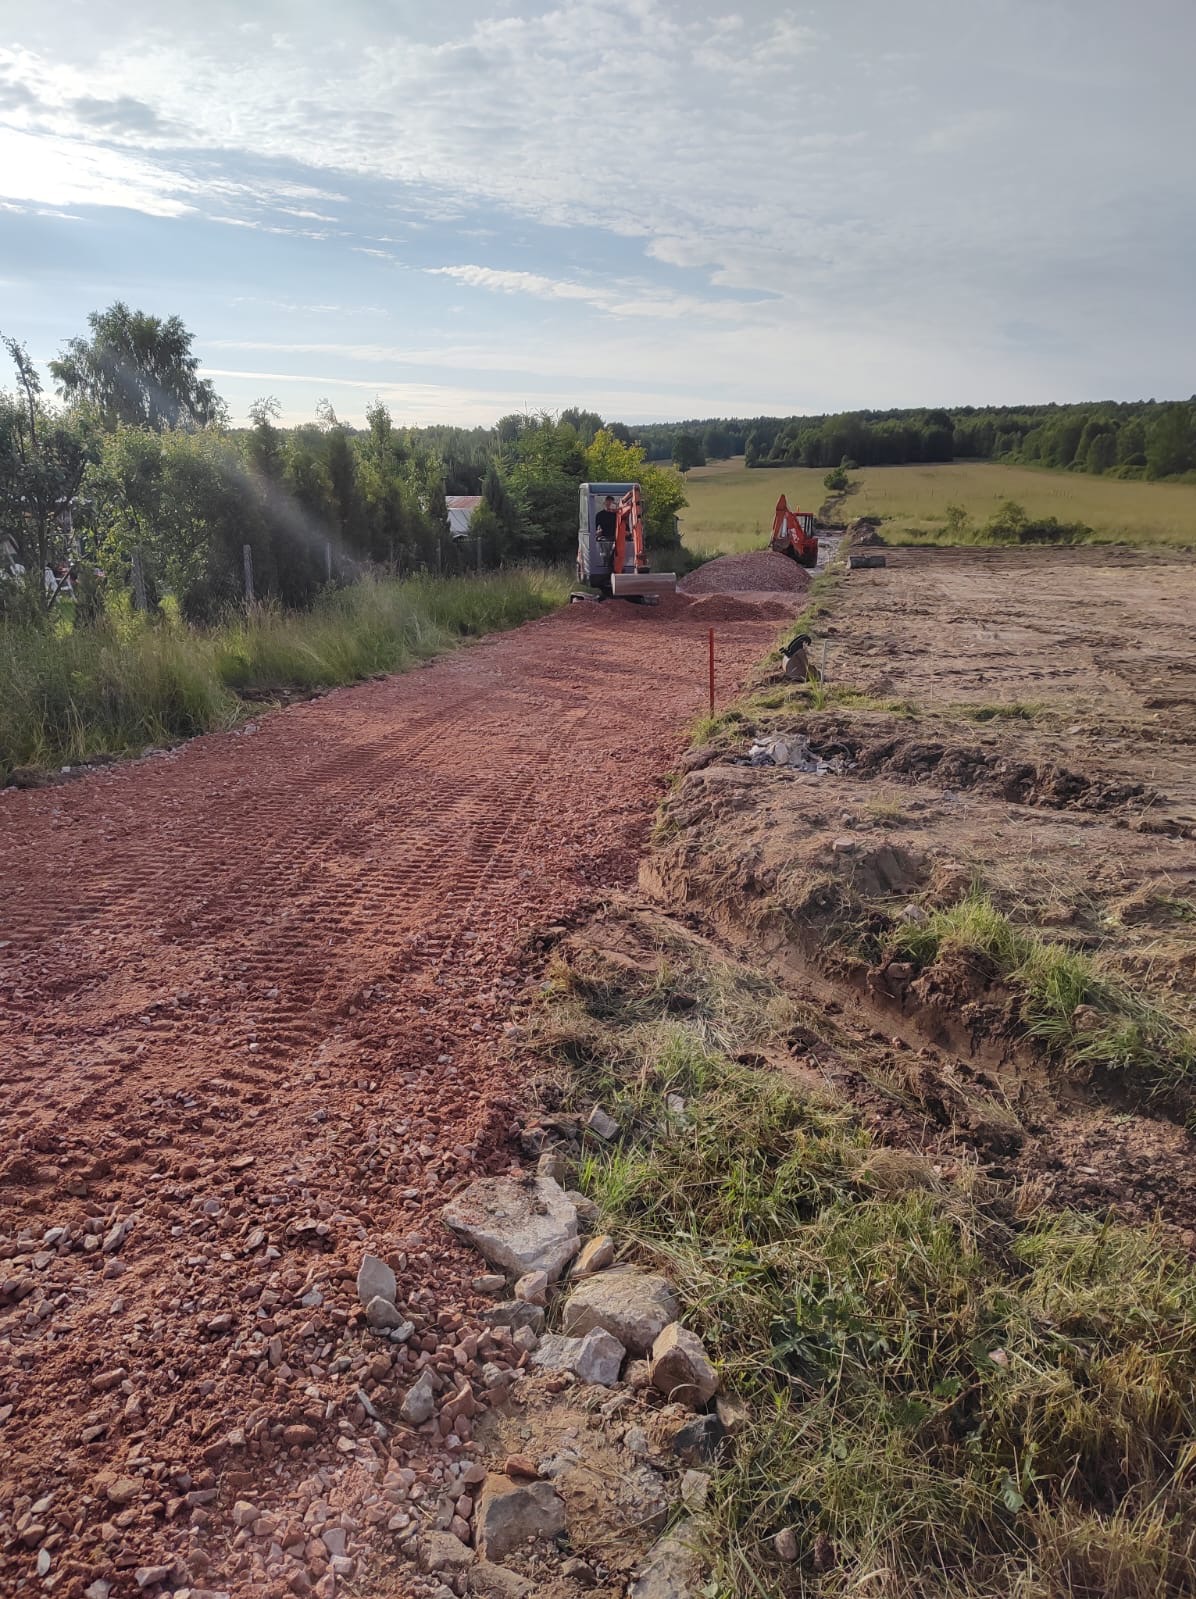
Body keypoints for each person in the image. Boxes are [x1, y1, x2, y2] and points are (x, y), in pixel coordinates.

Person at [594, 495, 618, 572]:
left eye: (611, 503)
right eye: (607, 503)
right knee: (606, 551)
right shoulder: (599, 515)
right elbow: (594, 529)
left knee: (617, 549)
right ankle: (606, 568)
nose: (609, 505)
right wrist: (597, 532)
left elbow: (626, 528)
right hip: (604, 538)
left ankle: (615, 568)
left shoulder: (617, 515)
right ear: (604, 503)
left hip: (616, 538)